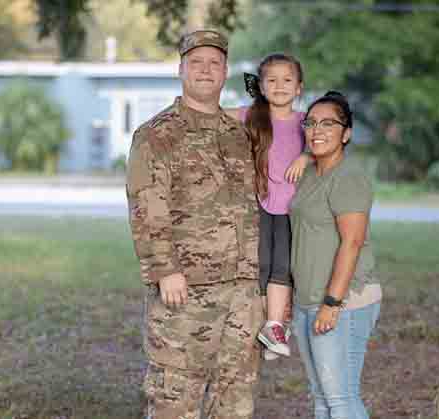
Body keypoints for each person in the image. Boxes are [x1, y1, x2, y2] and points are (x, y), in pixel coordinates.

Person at [126, 30, 262, 419]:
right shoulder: (157, 135)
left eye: (215, 63)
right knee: (175, 399)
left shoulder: (239, 135)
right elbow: (147, 208)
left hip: (243, 293)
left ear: (224, 73)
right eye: (197, 63)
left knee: (235, 400)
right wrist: (165, 270)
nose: (206, 70)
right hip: (185, 293)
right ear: (181, 70)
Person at [290, 91, 382, 419]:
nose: (317, 129)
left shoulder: (349, 177)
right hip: (305, 300)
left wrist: (332, 303)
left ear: (346, 134)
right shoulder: (311, 173)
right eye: (311, 123)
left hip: (342, 301)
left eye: (329, 123)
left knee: (341, 399)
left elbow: (352, 243)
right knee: (321, 398)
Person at [224, 53, 309, 360]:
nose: (280, 86)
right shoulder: (252, 116)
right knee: (260, 265)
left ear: (299, 87)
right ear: (260, 86)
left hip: (292, 209)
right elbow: (215, 115)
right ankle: (267, 327)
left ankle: (275, 324)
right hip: (259, 203)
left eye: (288, 80)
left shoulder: (305, 122)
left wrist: (306, 156)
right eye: (271, 80)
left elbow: (331, 138)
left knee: (283, 267)